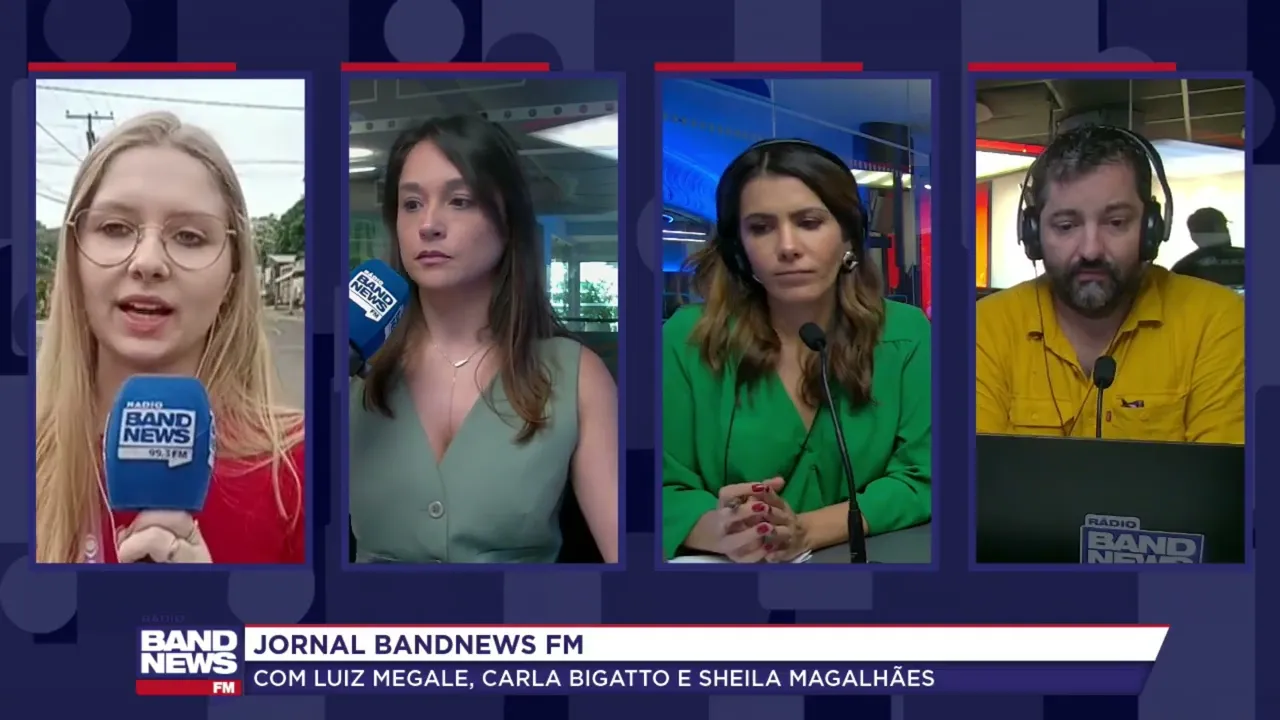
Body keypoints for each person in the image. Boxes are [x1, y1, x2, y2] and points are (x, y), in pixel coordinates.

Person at [35, 111, 305, 564]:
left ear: (233, 274)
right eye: (115, 228)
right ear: (74, 256)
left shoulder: (299, 469)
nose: (148, 262)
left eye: (189, 237)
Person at [349, 114, 619, 564]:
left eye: (459, 201)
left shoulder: (577, 376)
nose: (428, 224)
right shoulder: (352, 362)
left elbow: (629, 566)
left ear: (507, 220)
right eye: (411, 204)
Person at [662, 139, 932, 563]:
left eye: (809, 222)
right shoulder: (686, 338)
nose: (787, 246)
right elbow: (654, 488)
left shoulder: (907, 333)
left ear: (848, 235)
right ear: (739, 248)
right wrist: (724, 530)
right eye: (761, 228)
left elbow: (926, 477)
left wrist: (806, 530)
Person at [976, 125, 1243, 443]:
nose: (1091, 250)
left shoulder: (1217, 320)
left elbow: (1220, 472)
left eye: (1116, 222)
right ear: (1033, 234)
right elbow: (977, 471)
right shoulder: (985, 327)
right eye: (1066, 226)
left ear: (1150, 228)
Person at [1169, 207, 1245, 287]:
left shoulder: (1182, 268)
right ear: (1219, 228)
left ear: (1194, 237)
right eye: (1224, 226)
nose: (1227, 230)